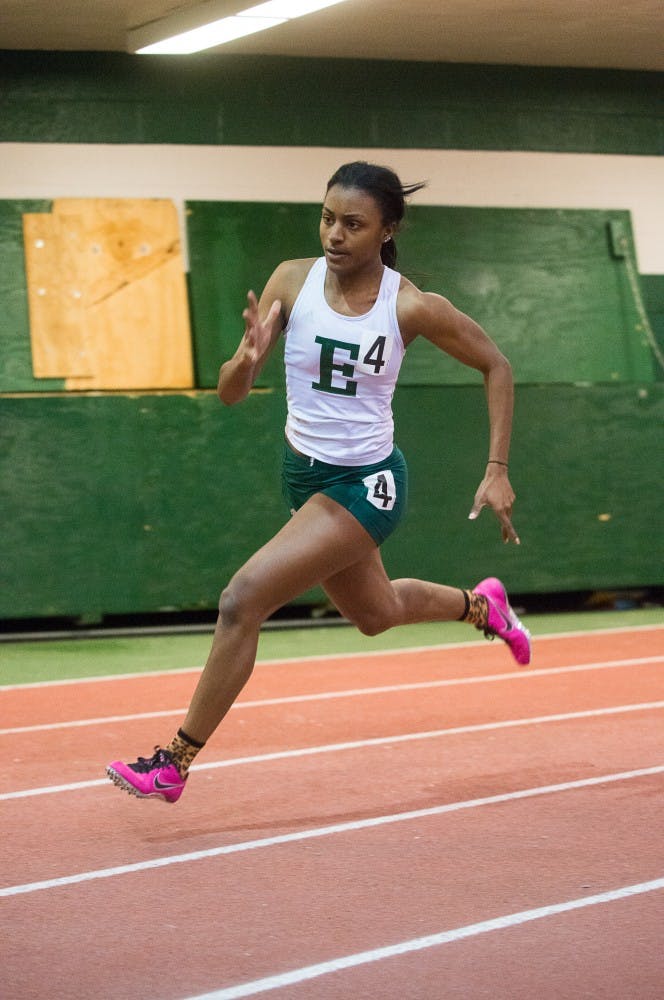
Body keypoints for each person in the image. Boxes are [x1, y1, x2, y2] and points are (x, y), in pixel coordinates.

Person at [107, 161, 531, 804]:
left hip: (368, 485)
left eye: (353, 224)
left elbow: (496, 365)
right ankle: (484, 605)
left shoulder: (410, 305)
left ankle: (174, 762)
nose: (335, 234)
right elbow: (230, 395)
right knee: (376, 613)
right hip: (304, 476)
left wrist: (496, 470)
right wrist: (242, 363)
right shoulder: (291, 280)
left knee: (241, 599)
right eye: (328, 217)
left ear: (387, 229)